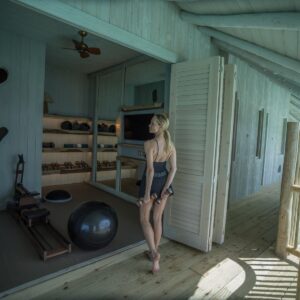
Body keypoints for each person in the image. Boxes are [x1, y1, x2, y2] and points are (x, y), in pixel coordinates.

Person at [137, 113, 177, 274]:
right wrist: (164, 190)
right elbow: (173, 169)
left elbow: (150, 170)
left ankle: (154, 254)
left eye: (152, 123)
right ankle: (153, 251)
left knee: (144, 220)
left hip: (151, 182)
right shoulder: (170, 145)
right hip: (164, 182)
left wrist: (147, 194)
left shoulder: (149, 144)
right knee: (157, 218)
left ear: (160, 126)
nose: (149, 125)